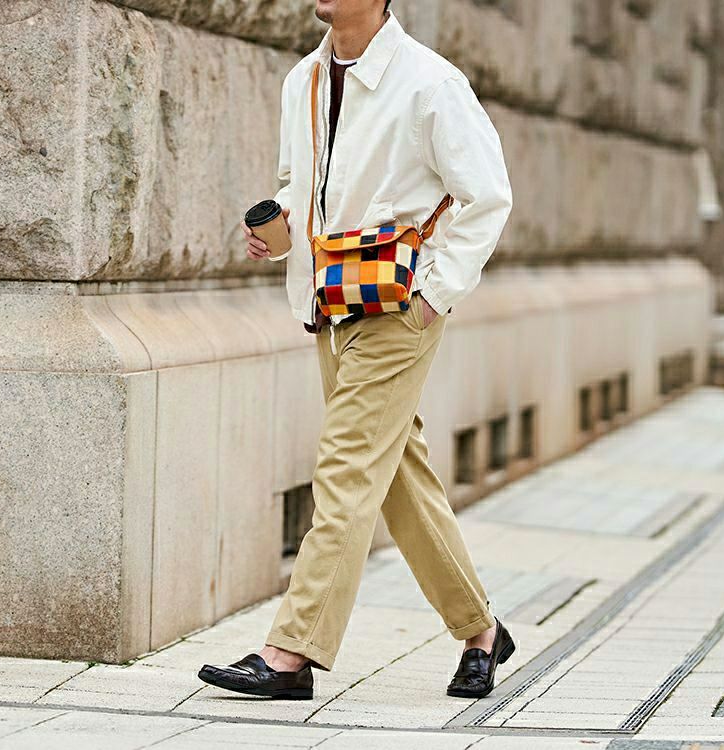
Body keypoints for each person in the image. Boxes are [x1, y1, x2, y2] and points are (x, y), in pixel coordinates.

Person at [199, 0, 514, 701]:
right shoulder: (304, 81)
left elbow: (488, 197)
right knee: (395, 474)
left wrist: (434, 293)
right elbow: (302, 185)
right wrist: (279, 224)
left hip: (397, 306)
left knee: (345, 468)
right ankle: (481, 631)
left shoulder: (432, 84)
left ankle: (290, 652)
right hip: (331, 303)